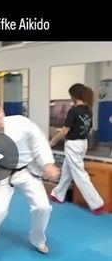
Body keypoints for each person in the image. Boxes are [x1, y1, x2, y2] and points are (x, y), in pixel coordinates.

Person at [0, 97, 60, 261]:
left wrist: (47, 164)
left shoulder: (20, 122)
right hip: (2, 176)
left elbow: (38, 140)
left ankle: (38, 240)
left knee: (43, 207)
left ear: (3, 110)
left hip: (26, 171)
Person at [49, 83, 105, 214]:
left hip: (73, 144)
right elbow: (88, 128)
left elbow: (64, 131)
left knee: (79, 174)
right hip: (83, 143)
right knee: (67, 169)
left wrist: (52, 142)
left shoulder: (74, 110)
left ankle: (97, 204)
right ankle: (58, 194)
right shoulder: (88, 110)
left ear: (74, 96)